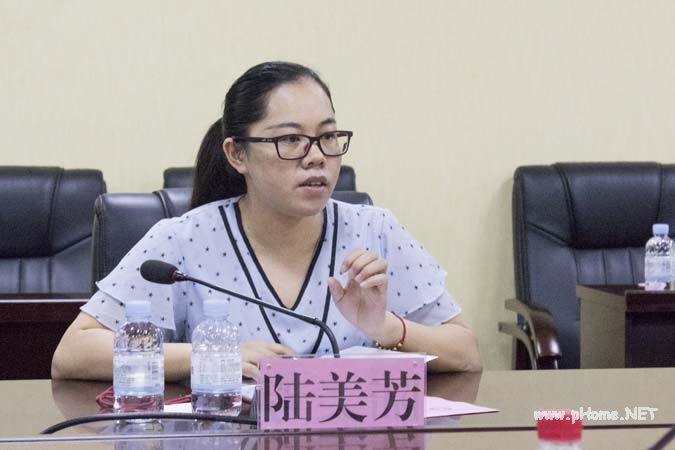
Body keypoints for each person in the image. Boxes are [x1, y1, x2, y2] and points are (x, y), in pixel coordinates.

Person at [52, 61, 481, 381]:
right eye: (291, 139)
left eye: (328, 136)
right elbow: (74, 353)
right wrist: (208, 356)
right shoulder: (183, 240)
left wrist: (385, 326)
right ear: (237, 154)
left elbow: (466, 352)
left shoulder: (374, 230)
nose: (316, 156)